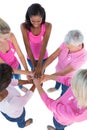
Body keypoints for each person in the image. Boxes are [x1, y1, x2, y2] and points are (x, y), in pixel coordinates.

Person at [41, 30, 87, 96]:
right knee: (57, 81)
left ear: (79, 46)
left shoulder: (83, 57)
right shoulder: (67, 43)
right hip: (58, 70)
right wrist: (42, 68)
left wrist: (47, 77)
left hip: (68, 78)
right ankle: (56, 88)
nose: (66, 48)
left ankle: (60, 98)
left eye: (69, 47)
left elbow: (64, 73)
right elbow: (53, 56)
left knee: (64, 91)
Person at [20, 3, 52, 78]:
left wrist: (39, 64)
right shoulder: (23, 26)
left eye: (38, 21)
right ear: (29, 18)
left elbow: (44, 45)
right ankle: (35, 85)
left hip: (43, 57)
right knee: (34, 74)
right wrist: (35, 65)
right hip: (31, 58)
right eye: (33, 21)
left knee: (41, 74)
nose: (36, 24)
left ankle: (40, 84)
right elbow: (27, 46)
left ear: (42, 17)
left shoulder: (48, 26)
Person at [0, 63, 35, 128]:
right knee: (21, 121)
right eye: (11, 76)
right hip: (17, 116)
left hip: (5, 112)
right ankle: (23, 125)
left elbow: (13, 82)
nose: (12, 77)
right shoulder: (11, 105)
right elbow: (27, 97)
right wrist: (35, 85)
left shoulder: (2, 82)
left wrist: (28, 82)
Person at [0, 18, 29, 89]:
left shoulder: (11, 36)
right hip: (5, 72)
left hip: (16, 65)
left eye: (8, 35)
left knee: (18, 78)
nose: (8, 38)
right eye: (5, 38)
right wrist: (29, 73)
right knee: (9, 85)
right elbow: (8, 69)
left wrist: (26, 70)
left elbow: (20, 55)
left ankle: (20, 86)